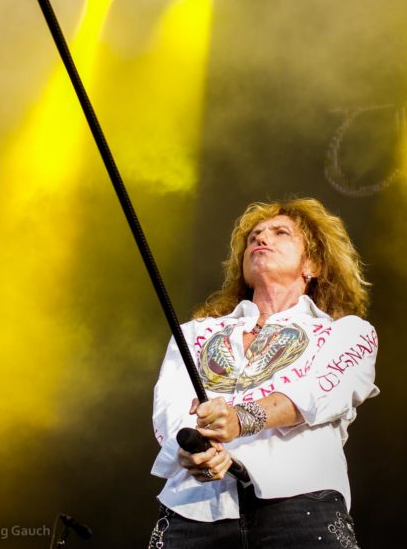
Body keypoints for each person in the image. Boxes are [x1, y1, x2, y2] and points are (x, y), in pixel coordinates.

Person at [149, 198, 378, 549]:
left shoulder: (347, 333)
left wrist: (240, 419)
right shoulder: (195, 333)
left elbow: (317, 393)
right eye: (254, 235)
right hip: (193, 508)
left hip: (300, 506)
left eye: (280, 232)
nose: (261, 238)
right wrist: (191, 449)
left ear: (313, 264)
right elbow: (171, 406)